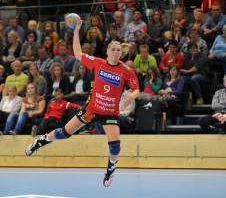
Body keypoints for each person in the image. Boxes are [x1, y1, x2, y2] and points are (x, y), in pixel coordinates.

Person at [25, 20, 140, 188]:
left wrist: (131, 96)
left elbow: (137, 89)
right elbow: (78, 53)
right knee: (64, 133)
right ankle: (39, 142)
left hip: (110, 113)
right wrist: (77, 32)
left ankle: (110, 170)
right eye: (112, 49)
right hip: (92, 109)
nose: (115, 52)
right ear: (107, 51)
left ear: (120, 53)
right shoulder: (98, 63)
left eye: (118, 50)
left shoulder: (126, 71)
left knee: (115, 146)